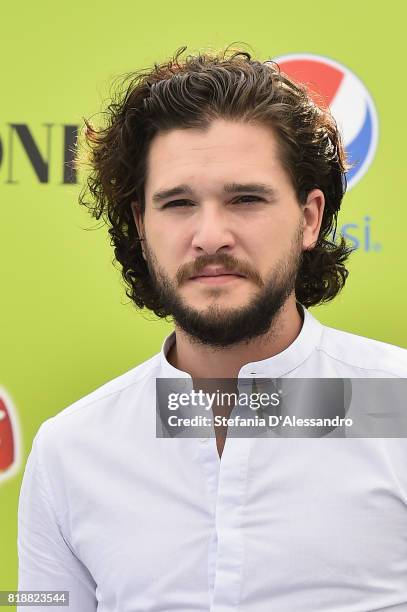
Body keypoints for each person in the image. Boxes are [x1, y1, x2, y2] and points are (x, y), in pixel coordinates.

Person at [18, 46, 407, 611]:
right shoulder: (70, 451)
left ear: (308, 218)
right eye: (177, 203)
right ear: (140, 226)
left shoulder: (398, 404)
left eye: (245, 199)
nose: (209, 236)